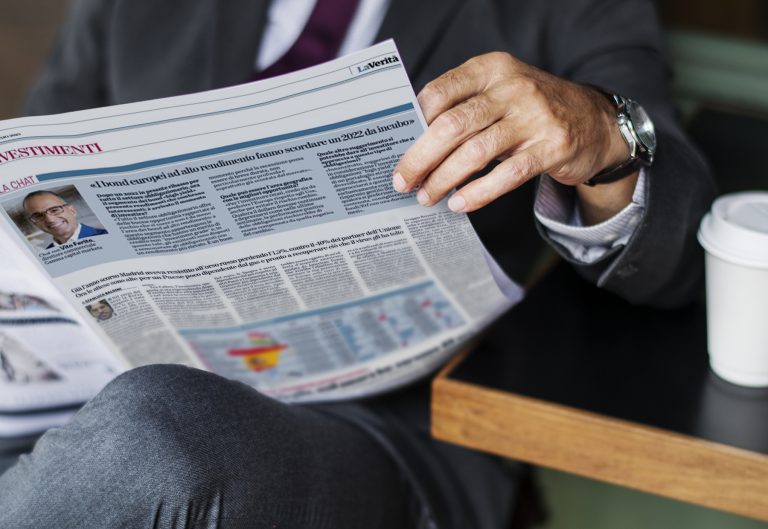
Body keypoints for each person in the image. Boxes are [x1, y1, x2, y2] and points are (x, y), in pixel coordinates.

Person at [0, 0, 715, 528]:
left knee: (148, 439)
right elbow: (34, 181)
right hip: (87, 382)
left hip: (385, 425)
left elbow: (680, 248)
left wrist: (601, 129)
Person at [22, 190, 107, 248]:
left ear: (72, 210)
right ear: (35, 223)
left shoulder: (106, 237)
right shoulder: (45, 255)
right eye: (38, 216)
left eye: (54, 210)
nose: (50, 219)